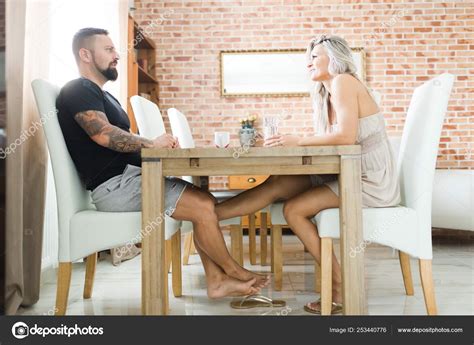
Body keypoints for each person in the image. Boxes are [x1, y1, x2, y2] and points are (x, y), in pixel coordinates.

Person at [56, 27, 269, 299]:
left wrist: (156, 144)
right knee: (203, 205)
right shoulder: (78, 88)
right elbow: (101, 134)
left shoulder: (105, 96)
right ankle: (235, 272)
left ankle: (217, 281)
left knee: (202, 198)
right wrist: (150, 144)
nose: (117, 55)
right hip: (115, 187)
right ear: (85, 54)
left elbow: (122, 138)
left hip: (128, 180)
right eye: (108, 49)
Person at [215, 34, 400, 314]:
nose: (308, 64)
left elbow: (346, 135)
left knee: (294, 209)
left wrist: (298, 141)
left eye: (314, 57)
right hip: (347, 171)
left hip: (367, 179)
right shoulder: (326, 92)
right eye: (309, 58)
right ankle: (210, 215)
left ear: (334, 59)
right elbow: (335, 138)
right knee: (279, 182)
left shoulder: (343, 82)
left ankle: (338, 284)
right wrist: (292, 142)